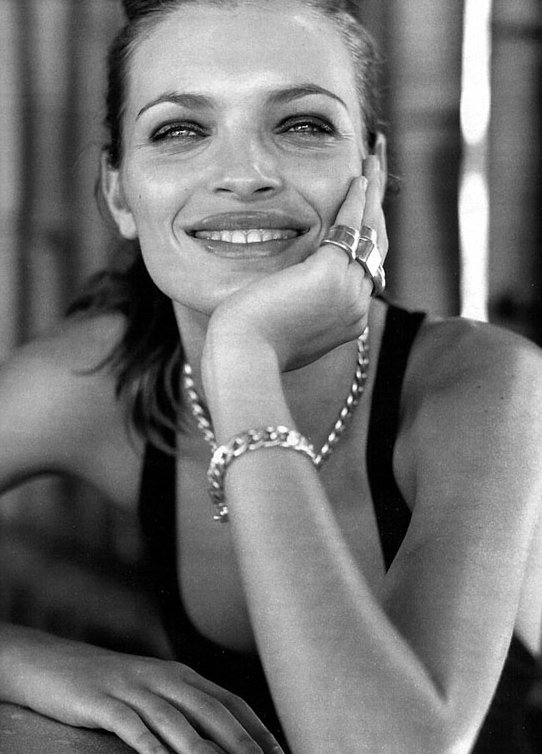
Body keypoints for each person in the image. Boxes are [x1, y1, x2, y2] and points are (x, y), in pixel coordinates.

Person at [1, 0, 541, 752]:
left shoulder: (485, 387)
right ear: (120, 193)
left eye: (303, 125)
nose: (246, 174)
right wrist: (21, 658)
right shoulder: (93, 381)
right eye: (180, 130)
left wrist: (243, 357)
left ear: (371, 170)